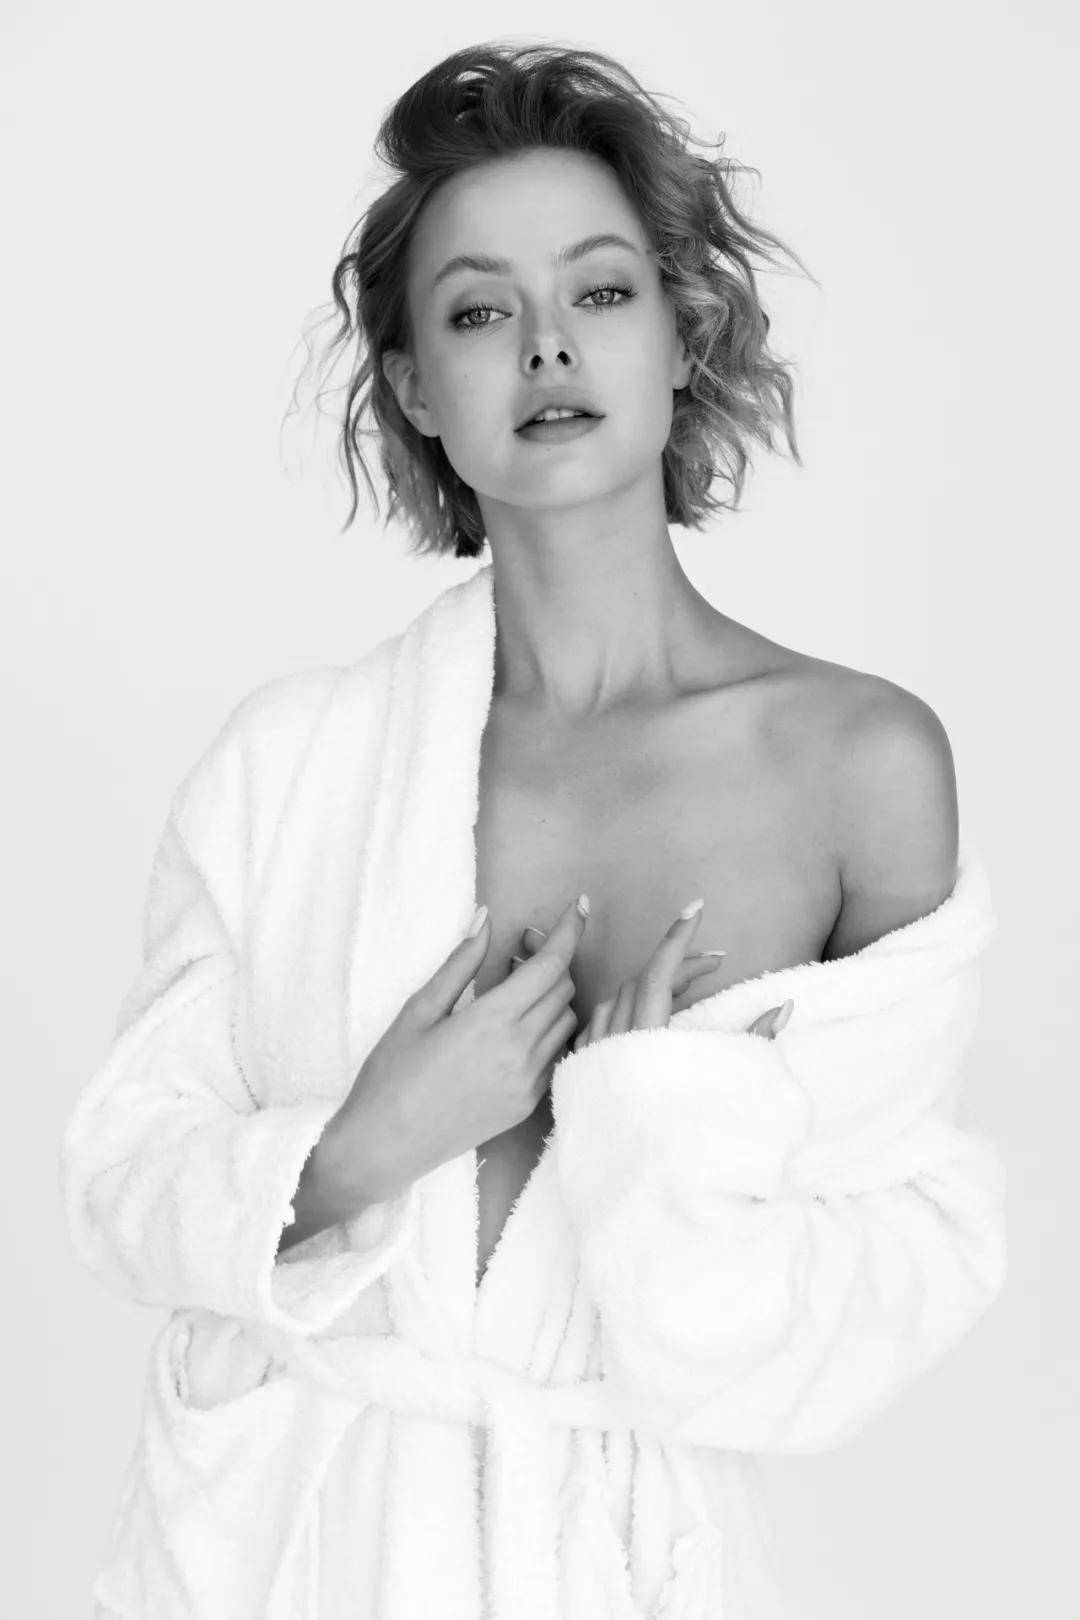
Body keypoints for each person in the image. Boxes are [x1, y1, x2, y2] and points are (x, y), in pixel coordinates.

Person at [60, 41, 1007, 1620]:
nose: (549, 345)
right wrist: (363, 1148)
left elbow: (875, 1297)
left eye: (603, 292)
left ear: (684, 332)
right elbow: (120, 1176)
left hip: (629, 1568)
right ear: (415, 386)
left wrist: (654, 1136)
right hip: (302, 1558)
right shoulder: (293, 764)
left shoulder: (859, 766)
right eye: (481, 312)